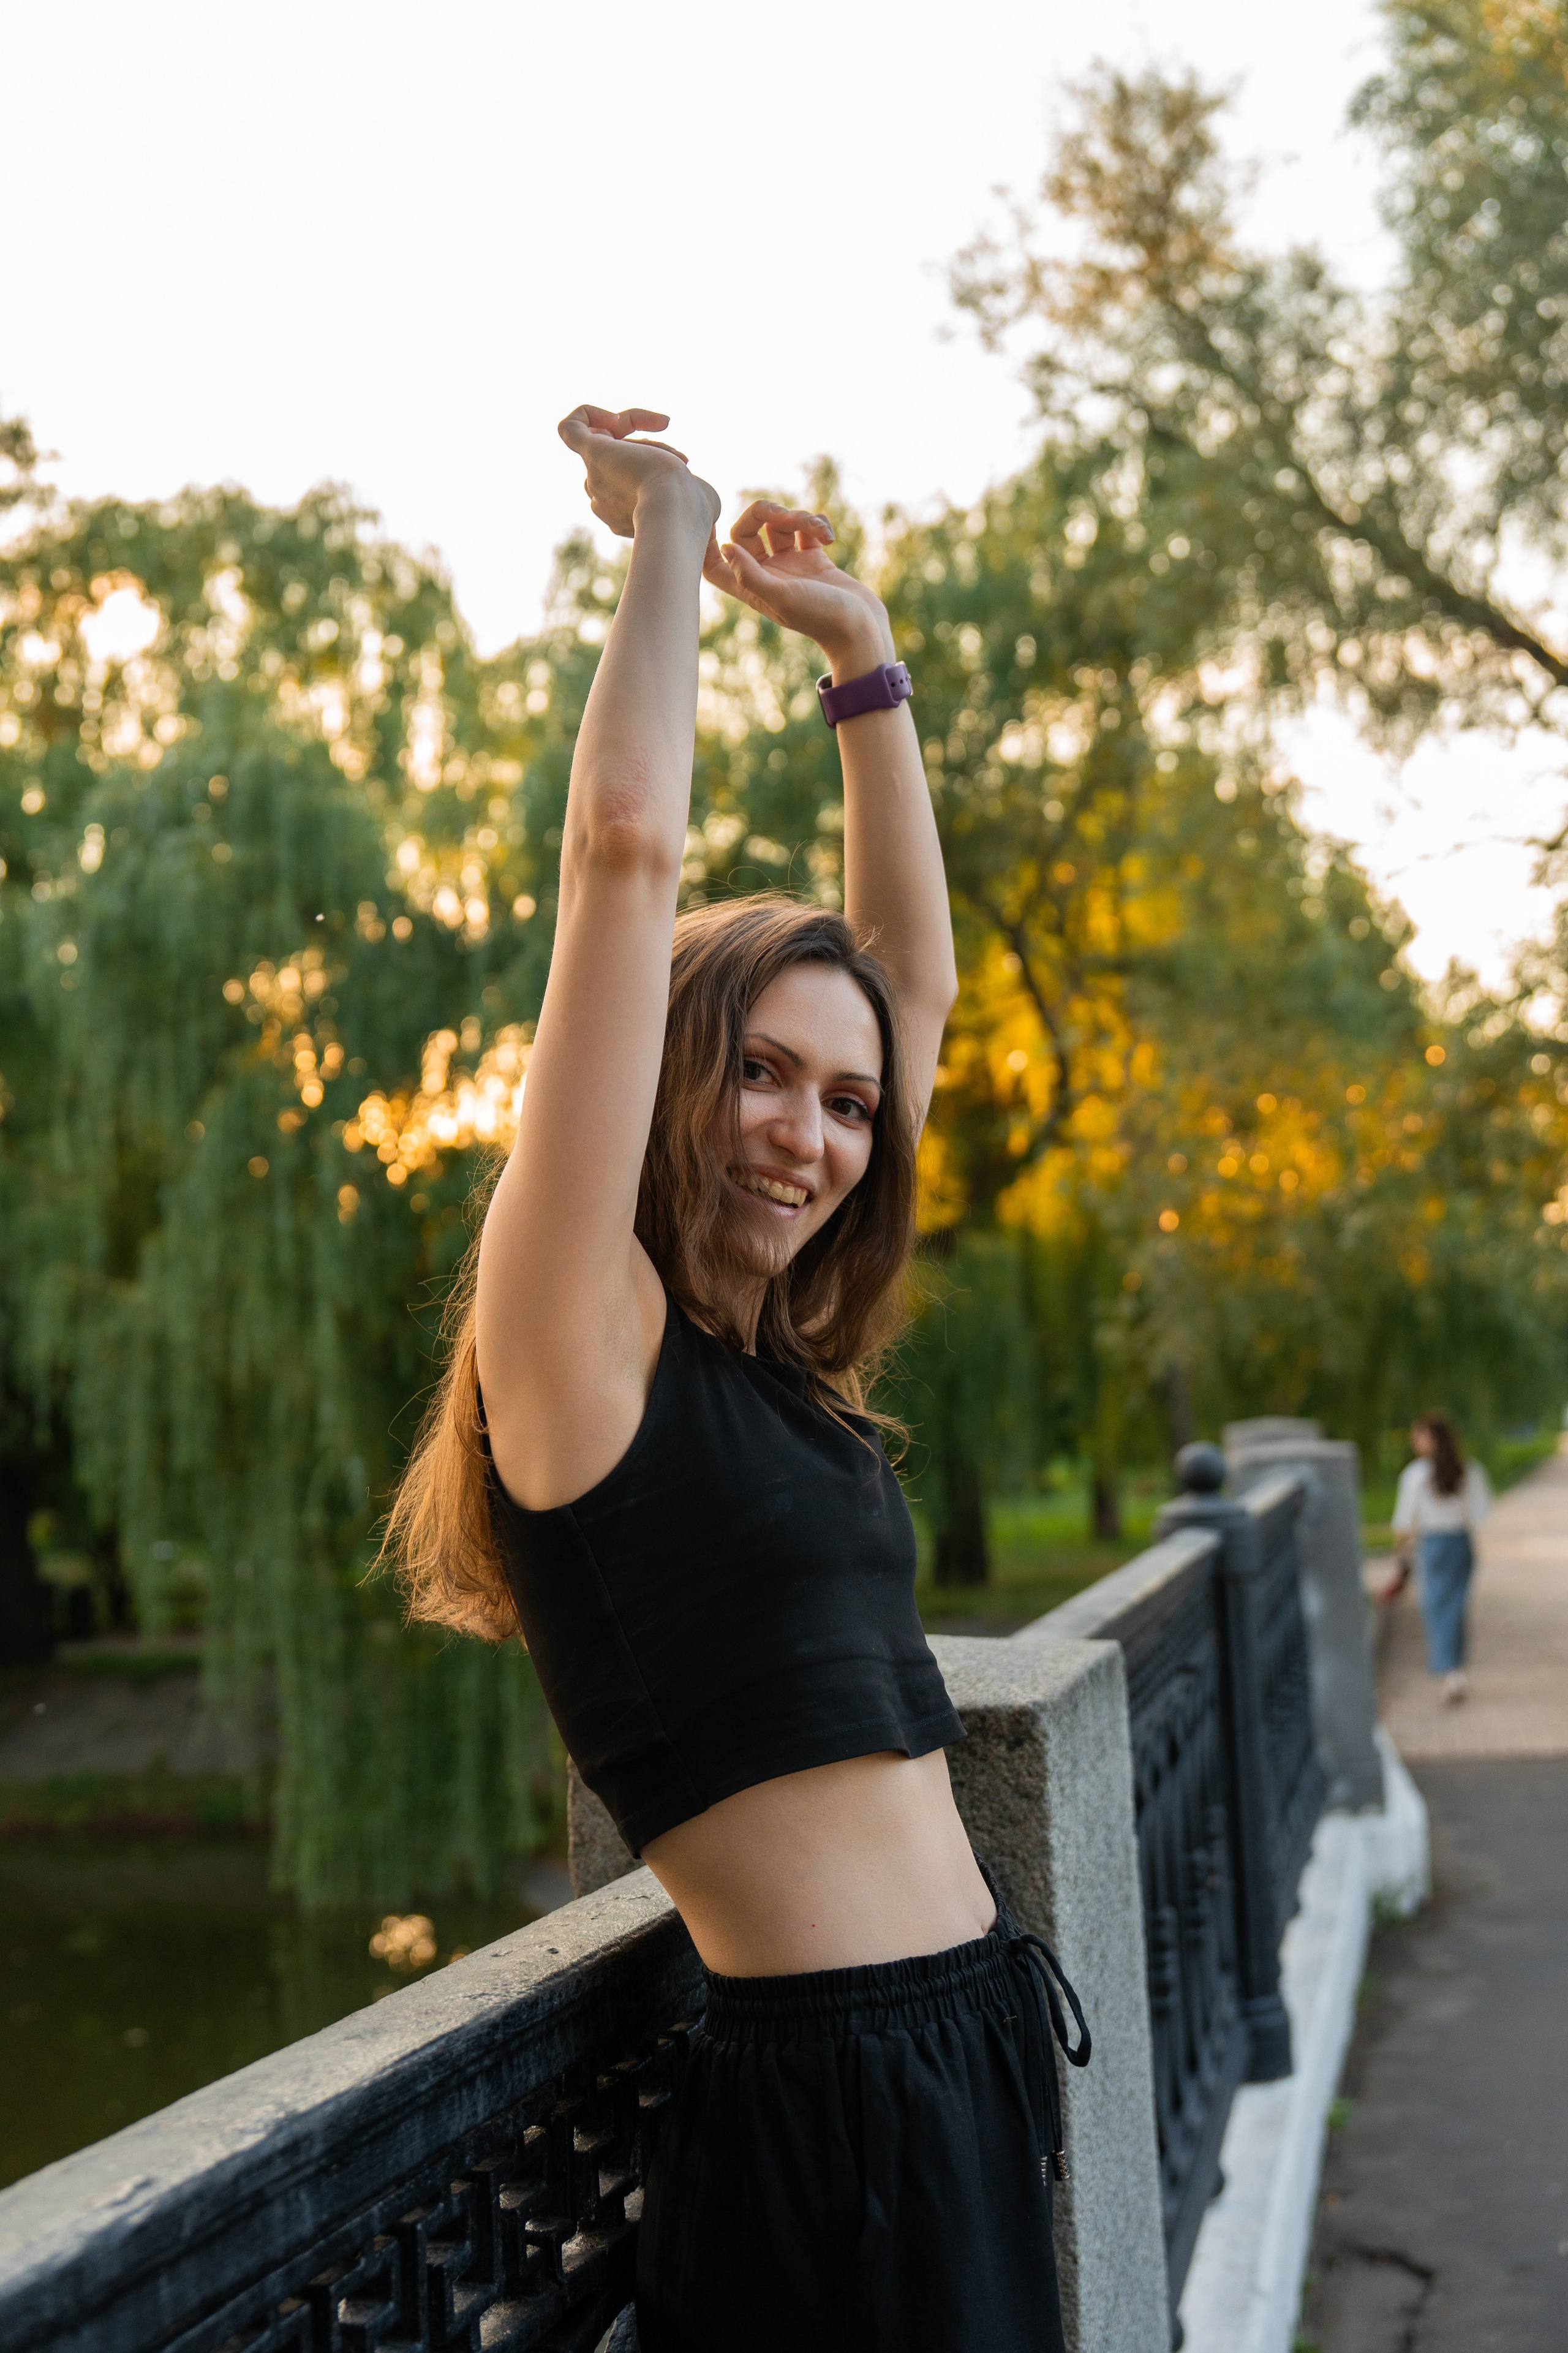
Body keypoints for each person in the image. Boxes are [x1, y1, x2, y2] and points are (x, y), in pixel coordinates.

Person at [383, 407, 1089, 2352]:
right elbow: (623, 858)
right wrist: (669, 537)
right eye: (758, 1070)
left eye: (844, 1100)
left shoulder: (786, 1365)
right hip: (820, 2101)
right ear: (675, 1061)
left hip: (970, 2052)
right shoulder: (579, 1347)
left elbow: (910, 988)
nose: (809, 1128)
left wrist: (862, 656)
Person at [1392, 1410, 1491, 1704]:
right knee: (1457, 1608)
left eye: (1418, 1435)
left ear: (1431, 1439)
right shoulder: (1469, 1471)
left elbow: (1404, 1522)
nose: (1414, 1441)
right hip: (1461, 1544)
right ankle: (1456, 1672)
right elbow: (1480, 1514)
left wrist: (1401, 1555)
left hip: (1432, 1546)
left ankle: (1448, 1669)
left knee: (1436, 1609)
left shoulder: (1415, 1475)